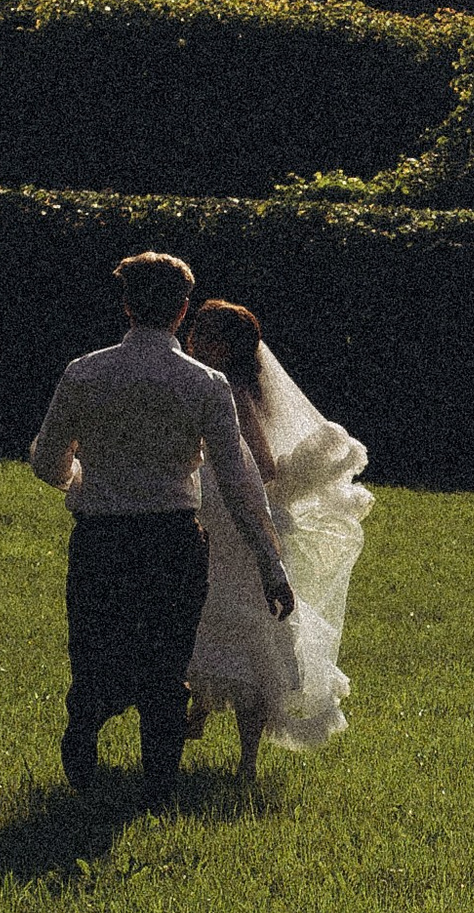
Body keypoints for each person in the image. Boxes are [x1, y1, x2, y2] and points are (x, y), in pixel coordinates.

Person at [26, 253, 292, 802]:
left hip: (101, 538)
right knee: (167, 667)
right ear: (182, 310)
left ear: (126, 305)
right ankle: (158, 792)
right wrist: (271, 565)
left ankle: (83, 763)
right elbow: (240, 483)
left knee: (93, 651)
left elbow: (46, 460)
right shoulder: (206, 384)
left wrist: (78, 474)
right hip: (173, 539)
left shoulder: (85, 372)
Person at [179, 299, 371, 781]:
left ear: (224, 346)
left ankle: (239, 752)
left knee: (239, 620)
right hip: (219, 512)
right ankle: (199, 718)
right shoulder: (212, 386)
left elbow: (260, 467)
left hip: (233, 516)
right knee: (212, 615)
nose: (192, 339)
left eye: (203, 333)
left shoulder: (235, 394)